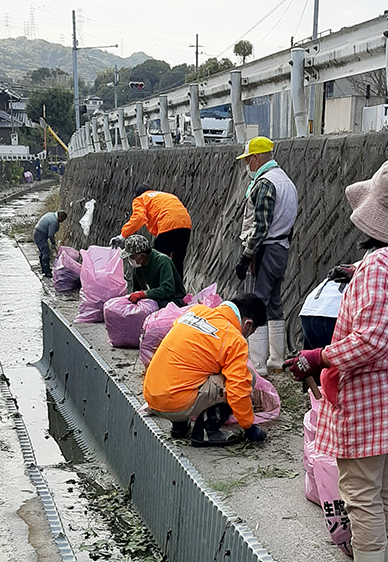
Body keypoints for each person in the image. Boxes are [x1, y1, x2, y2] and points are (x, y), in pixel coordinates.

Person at [284, 158, 388, 562]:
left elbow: (370, 340)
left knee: (360, 491)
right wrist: (358, 274)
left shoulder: (378, 267)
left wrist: (318, 356)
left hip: (368, 394)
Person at [143, 294, 269, 448]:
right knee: (246, 376)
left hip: (152, 395)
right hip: (177, 403)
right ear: (248, 324)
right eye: (252, 332)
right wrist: (248, 426)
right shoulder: (234, 339)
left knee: (191, 369)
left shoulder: (196, 311)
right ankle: (207, 431)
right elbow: (237, 389)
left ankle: (180, 426)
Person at [234, 136, 298, 377]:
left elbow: (261, 226)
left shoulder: (265, 184)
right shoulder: (286, 182)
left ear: (256, 158)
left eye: (248, 160)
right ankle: (277, 359)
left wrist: (246, 255)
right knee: (274, 302)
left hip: (264, 249)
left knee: (255, 302)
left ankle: (258, 363)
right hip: (281, 248)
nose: (247, 165)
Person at [120, 185, 192, 283]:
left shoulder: (141, 199)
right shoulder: (166, 196)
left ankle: (157, 292)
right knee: (177, 261)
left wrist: (122, 236)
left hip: (168, 224)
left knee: (156, 261)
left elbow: (139, 217)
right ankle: (179, 293)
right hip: (185, 225)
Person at [122, 233, 186, 309]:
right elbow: (137, 291)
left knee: (162, 305)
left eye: (131, 257)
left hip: (173, 300)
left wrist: (144, 294)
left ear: (142, 255)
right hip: (153, 300)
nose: (130, 259)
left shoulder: (163, 262)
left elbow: (167, 290)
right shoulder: (138, 267)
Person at [33, 209, 68, 277]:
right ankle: (47, 272)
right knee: (46, 253)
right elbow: (51, 234)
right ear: (60, 217)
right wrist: (53, 244)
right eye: (63, 220)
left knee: (42, 252)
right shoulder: (54, 221)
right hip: (40, 235)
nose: (62, 222)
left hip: (37, 233)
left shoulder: (50, 214)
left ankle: (44, 269)